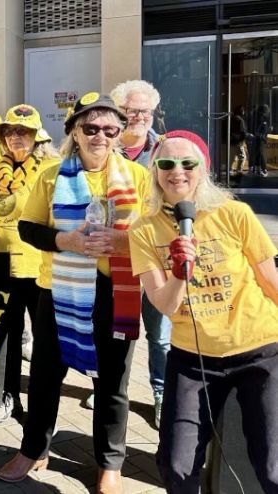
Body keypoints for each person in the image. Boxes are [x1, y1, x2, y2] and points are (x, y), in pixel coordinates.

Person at [0, 93, 150, 493]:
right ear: (74, 131)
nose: (99, 135)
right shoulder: (51, 174)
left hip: (118, 290)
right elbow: (28, 229)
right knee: (47, 375)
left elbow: (155, 233)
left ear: (119, 134)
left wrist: (119, 241)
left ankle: (109, 464)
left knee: (113, 382)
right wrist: (65, 240)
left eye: (109, 129)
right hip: (59, 289)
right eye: (90, 127)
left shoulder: (138, 177)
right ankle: (33, 450)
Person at [128, 130, 278, 492]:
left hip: (259, 350)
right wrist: (180, 271)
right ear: (154, 172)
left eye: (187, 163)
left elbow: (271, 280)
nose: (176, 170)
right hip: (192, 360)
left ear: (203, 169)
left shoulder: (234, 213)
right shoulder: (144, 230)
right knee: (177, 467)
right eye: (166, 163)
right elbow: (165, 304)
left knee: (273, 468)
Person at [0, 104, 59, 423]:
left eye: (24, 132)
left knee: (43, 343)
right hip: (3, 265)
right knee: (7, 338)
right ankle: (7, 395)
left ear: (36, 137)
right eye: (11, 131)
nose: (17, 137)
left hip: (40, 268)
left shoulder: (53, 167)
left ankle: (42, 408)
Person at [109, 79, 169, 426]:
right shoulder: (105, 148)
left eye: (145, 110)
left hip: (157, 256)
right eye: (132, 110)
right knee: (118, 329)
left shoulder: (164, 149)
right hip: (116, 257)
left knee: (159, 334)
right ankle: (115, 388)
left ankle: (160, 392)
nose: (139, 117)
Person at [229, 106, 249, 177]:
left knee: (231, 157)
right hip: (238, 141)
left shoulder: (231, 119)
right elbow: (243, 131)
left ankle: (230, 170)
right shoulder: (240, 120)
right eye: (243, 110)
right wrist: (243, 140)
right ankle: (239, 170)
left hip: (231, 140)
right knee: (242, 156)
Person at [251, 104, 271, 178]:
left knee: (259, 153)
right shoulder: (260, 117)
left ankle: (261, 169)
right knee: (259, 153)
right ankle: (260, 169)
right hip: (259, 138)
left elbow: (264, 129)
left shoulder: (261, 117)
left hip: (260, 138)